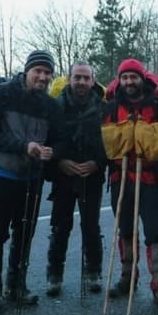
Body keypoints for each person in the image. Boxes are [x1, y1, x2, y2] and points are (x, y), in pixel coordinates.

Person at [0, 49, 64, 315]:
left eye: (47, 73)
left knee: (24, 234)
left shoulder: (51, 105)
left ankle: (17, 285)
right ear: (27, 71)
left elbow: (60, 140)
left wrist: (52, 152)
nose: (43, 77)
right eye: (38, 71)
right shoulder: (0, 94)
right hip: (0, 176)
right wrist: (23, 147)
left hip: (32, 180)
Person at [101, 58, 158, 311]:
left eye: (133, 77)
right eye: (125, 78)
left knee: (155, 233)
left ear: (141, 79)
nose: (129, 82)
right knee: (125, 230)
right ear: (119, 80)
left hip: (151, 181)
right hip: (120, 179)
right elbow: (102, 142)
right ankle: (127, 278)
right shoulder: (112, 108)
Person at [45, 62, 107, 297]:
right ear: (70, 79)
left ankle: (93, 272)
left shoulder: (104, 108)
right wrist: (59, 162)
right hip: (63, 176)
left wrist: (97, 164)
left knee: (91, 226)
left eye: (86, 78)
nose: (81, 82)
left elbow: (109, 144)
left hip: (92, 176)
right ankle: (54, 275)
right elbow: (48, 139)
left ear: (93, 80)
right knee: (60, 227)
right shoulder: (56, 107)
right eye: (77, 77)